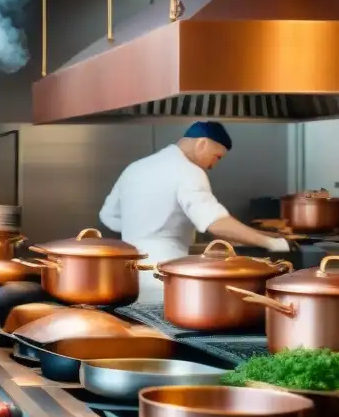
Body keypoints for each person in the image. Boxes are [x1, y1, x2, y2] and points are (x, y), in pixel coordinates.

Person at [99, 121, 291, 303]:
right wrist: (272, 243)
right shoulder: (188, 171)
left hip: (128, 275)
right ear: (202, 144)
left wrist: (144, 230)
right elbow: (215, 223)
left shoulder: (136, 168)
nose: (213, 165)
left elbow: (109, 216)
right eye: (217, 157)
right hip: (166, 273)